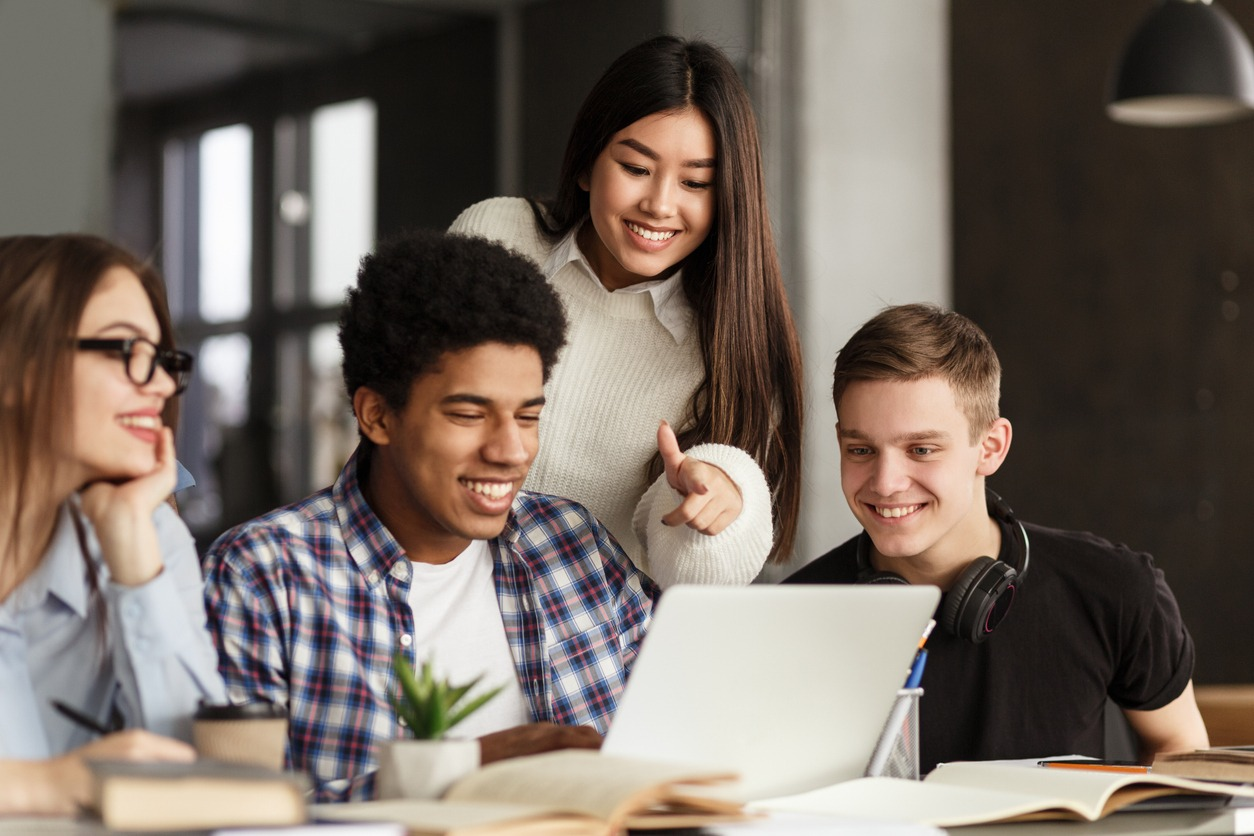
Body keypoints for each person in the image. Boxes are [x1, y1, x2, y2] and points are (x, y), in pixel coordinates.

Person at [202, 231, 658, 803]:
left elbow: (677, 742)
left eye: (527, 416)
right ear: (377, 416)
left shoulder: (572, 545)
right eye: (469, 414)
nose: (511, 451)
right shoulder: (264, 572)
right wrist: (467, 768)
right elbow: (232, 814)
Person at [785, 303, 1209, 771]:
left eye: (921, 449)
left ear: (990, 448)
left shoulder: (1116, 589)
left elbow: (1180, 753)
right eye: (861, 450)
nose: (885, 483)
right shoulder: (792, 615)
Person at [450, 35, 804, 587]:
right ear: (588, 164)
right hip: (427, 603)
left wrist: (716, 516)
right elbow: (400, 418)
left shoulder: (729, 345)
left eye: (695, 183)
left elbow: (693, 583)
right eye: (637, 168)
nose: (660, 204)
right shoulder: (497, 236)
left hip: (584, 651)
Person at [0, 234, 226, 815]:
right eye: (127, 349)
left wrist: (133, 553)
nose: (158, 385)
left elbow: (204, 784)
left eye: (163, 359)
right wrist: (49, 785)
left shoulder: (152, 534)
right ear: (16, 366)